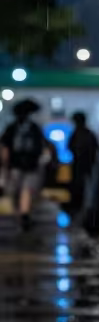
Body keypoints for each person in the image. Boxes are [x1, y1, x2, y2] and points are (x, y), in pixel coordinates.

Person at [0, 98, 47, 231]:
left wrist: (5, 165)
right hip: (31, 164)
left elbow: (5, 148)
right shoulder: (34, 128)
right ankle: (24, 214)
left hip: (15, 165)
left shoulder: (12, 127)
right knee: (27, 189)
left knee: (17, 191)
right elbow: (42, 147)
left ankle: (22, 214)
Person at [68, 111, 99, 223]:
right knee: (87, 189)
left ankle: (79, 210)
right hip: (88, 166)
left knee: (79, 188)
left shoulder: (76, 134)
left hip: (78, 166)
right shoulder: (89, 134)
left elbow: (70, 147)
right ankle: (85, 210)